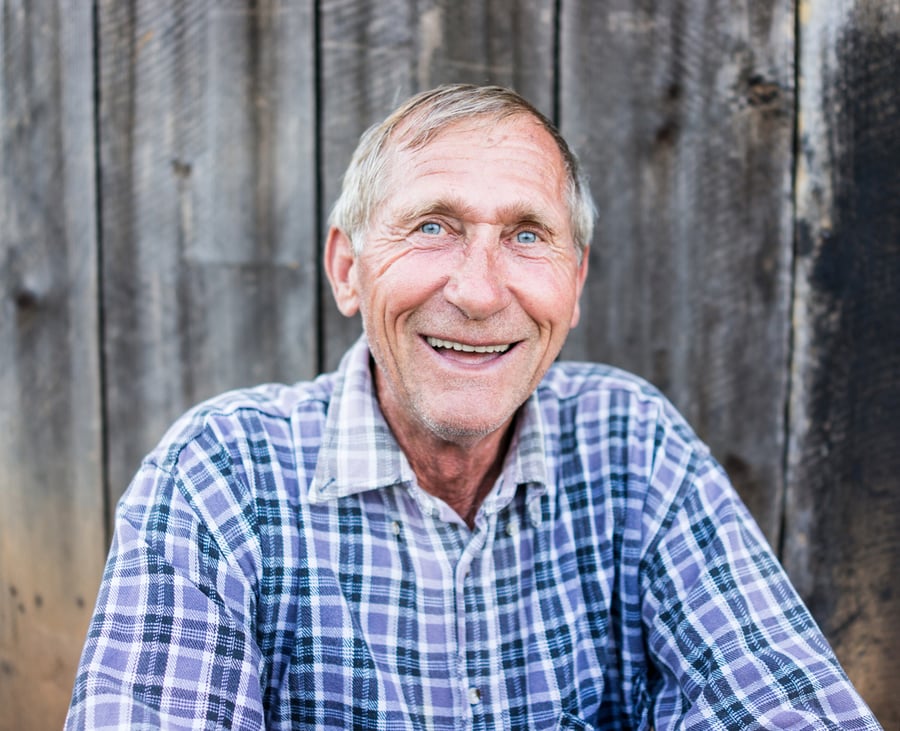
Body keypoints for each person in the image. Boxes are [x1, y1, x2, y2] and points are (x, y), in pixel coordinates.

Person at [67, 84, 882, 730]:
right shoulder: (220, 475)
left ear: (575, 280)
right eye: (432, 226)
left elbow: (789, 705)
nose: (481, 291)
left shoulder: (630, 445)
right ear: (348, 270)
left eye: (528, 235)